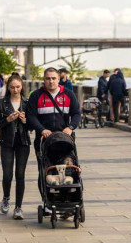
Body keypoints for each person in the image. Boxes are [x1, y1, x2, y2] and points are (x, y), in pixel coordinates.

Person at [26, 67, 81, 203]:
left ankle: (66, 200)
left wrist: (70, 127)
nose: (51, 81)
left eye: (53, 78)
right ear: (44, 80)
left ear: (58, 79)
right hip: (44, 141)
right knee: (45, 170)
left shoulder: (68, 94)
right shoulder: (36, 96)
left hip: (64, 141)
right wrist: (41, 129)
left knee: (66, 170)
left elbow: (76, 114)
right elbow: (31, 116)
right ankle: (48, 200)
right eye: (48, 78)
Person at [0, 74, 31, 220]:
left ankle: (18, 207)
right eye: (12, 87)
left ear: (22, 86)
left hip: (23, 142)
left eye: (18, 87)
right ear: (8, 88)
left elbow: (32, 126)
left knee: (20, 174)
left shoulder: (27, 103)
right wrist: (8, 119)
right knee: (7, 174)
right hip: (7, 142)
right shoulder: (2, 103)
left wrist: (24, 120)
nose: (15, 90)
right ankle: (6, 197)